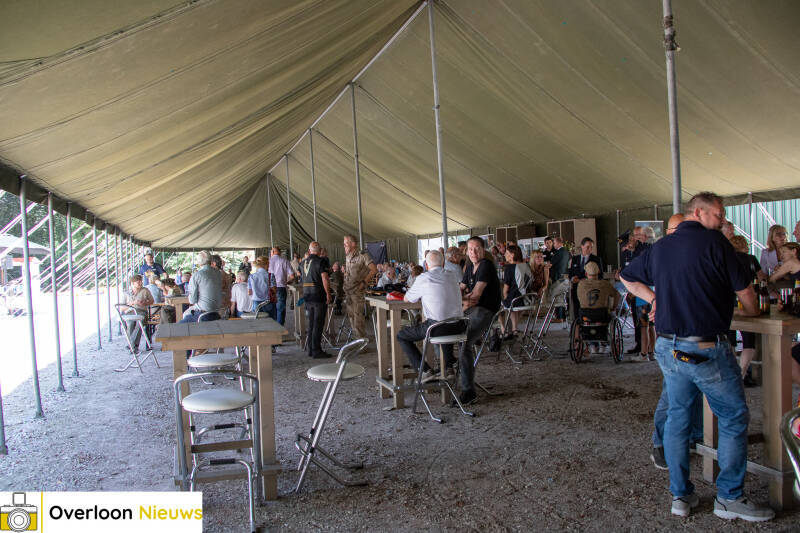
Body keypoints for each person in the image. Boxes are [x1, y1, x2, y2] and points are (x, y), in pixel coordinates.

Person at [621, 192, 772, 521]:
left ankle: (681, 495)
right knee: (732, 418)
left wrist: (653, 299)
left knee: (678, 418)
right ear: (700, 212)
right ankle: (729, 497)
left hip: (669, 347)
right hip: (706, 347)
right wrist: (752, 311)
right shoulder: (717, 244)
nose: (722, 220)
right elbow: (745, 293)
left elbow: (627, 277)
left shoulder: (660, 247)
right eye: (719, 214)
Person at [398, 250, 463, 382]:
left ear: (426, 266)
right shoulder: (452, 275)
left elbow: (407, 299)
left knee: (402, 336)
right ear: (443, 263)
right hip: (460, 326)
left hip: (438, 328)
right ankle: (448, 367)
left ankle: (425, 371)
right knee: (445, 319)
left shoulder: (424, 278)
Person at [459, 236, 501, 406]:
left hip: (484, 310)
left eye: (477, 249)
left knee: (465, 343)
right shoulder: (469, 267)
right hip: (471, 309)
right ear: (466, 251)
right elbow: (460, 290)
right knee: (444, 331)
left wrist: (461, 301)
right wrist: (461, 299)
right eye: (470, 249)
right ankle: (450, 370)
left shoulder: (485, 266)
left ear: (483, 250)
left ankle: (469, 391)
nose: (473, 252)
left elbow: (475, 297)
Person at [729, 235, 761, 386]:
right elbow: (762, 278)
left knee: (729, 340)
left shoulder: (727, 259)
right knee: (749, 342)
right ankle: (741, 375)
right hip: (747, 302)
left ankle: (730, 374)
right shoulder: (751, 259)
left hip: (729, 302)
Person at [301, 242, 333, 358]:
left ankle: (310, 348)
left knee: (311, 323)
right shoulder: (321, 261)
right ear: (319, 251)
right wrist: (328, 293)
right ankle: (316, 350)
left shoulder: (303, 262)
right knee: (318, 323)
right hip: (318, 295)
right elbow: (324, 277)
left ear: (309, 251)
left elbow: (300, 274)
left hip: (307, 295)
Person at [343, 234, 377, 339]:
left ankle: (361, 343)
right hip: (348, 291)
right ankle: (357, 341)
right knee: (352, 317)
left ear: (353, 244)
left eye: (346, 244)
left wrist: (364, 283)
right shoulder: (348, 256)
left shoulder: (363, 256)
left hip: (357, 292)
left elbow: (374, 270)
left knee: (358, 318)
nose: (344, 246)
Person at [180, 251, 222, 324]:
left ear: (199, 262)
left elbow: (192, 300)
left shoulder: (197, 275)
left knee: (179, 326)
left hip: (203, 315)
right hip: (216, 313)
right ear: (210, 260)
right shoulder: (218, 273)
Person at [567, 237, 603, 322]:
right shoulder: (575, 259)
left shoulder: (596, 259)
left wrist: (587, 279)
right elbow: (570, 273)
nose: (589, 249)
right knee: (577, 310)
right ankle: (577, 325)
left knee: (588, 311)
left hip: (590, 289)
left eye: (591, 247)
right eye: (587, 247)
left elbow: (600, 275)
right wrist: (572, 278)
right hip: (577, 288)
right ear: (582, 246)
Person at [501, 244, 532, 338]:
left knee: (499, 306)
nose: (504, 255)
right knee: (512, 305)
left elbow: (505, 290)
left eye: (507, 253)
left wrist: (505, 298)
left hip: (516, 300)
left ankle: (504, 330)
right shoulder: (526, 266)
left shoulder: (509, 268)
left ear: (512, 255)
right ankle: (514, 329)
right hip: (528, 299)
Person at [123, 274, 154, 352]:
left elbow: (152, 301)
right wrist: (132, 303)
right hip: (130, 312)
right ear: (132, 283)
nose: (140, 283)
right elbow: (122, 308)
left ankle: (132, 345)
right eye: (138, 282)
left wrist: (144, 303)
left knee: (139, 324)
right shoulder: (126, 293)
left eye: (141, 282)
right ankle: (133, 346)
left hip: (141, 311)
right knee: (130, 324)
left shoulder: (145, 290)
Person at [268, 247, 296, 326]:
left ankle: (271, 328)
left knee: (270, 308)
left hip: (269, 288)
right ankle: (280, 329)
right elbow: (292, 276)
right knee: (280, 309)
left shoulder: (268, 262)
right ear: (279, 253)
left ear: (272, 252)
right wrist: (287, 282)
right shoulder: (285, 261)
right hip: (281, 287)